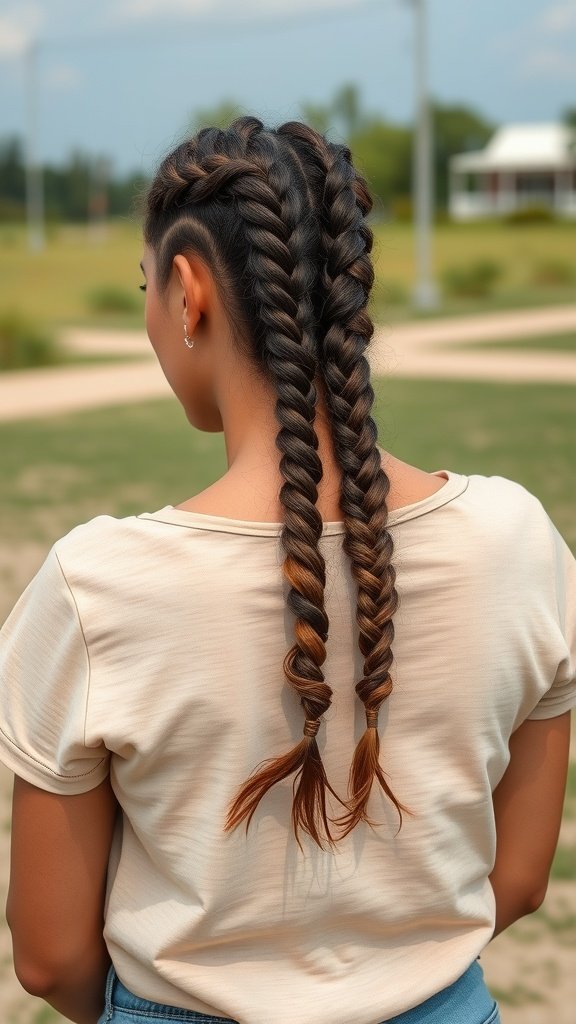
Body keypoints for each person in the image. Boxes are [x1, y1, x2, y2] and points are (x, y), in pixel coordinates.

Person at [0, 116, 574, 1024]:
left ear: (188, 293)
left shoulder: (95, 586)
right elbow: (523, 879)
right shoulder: (519, 541)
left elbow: (49, 957)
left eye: (146, 286)